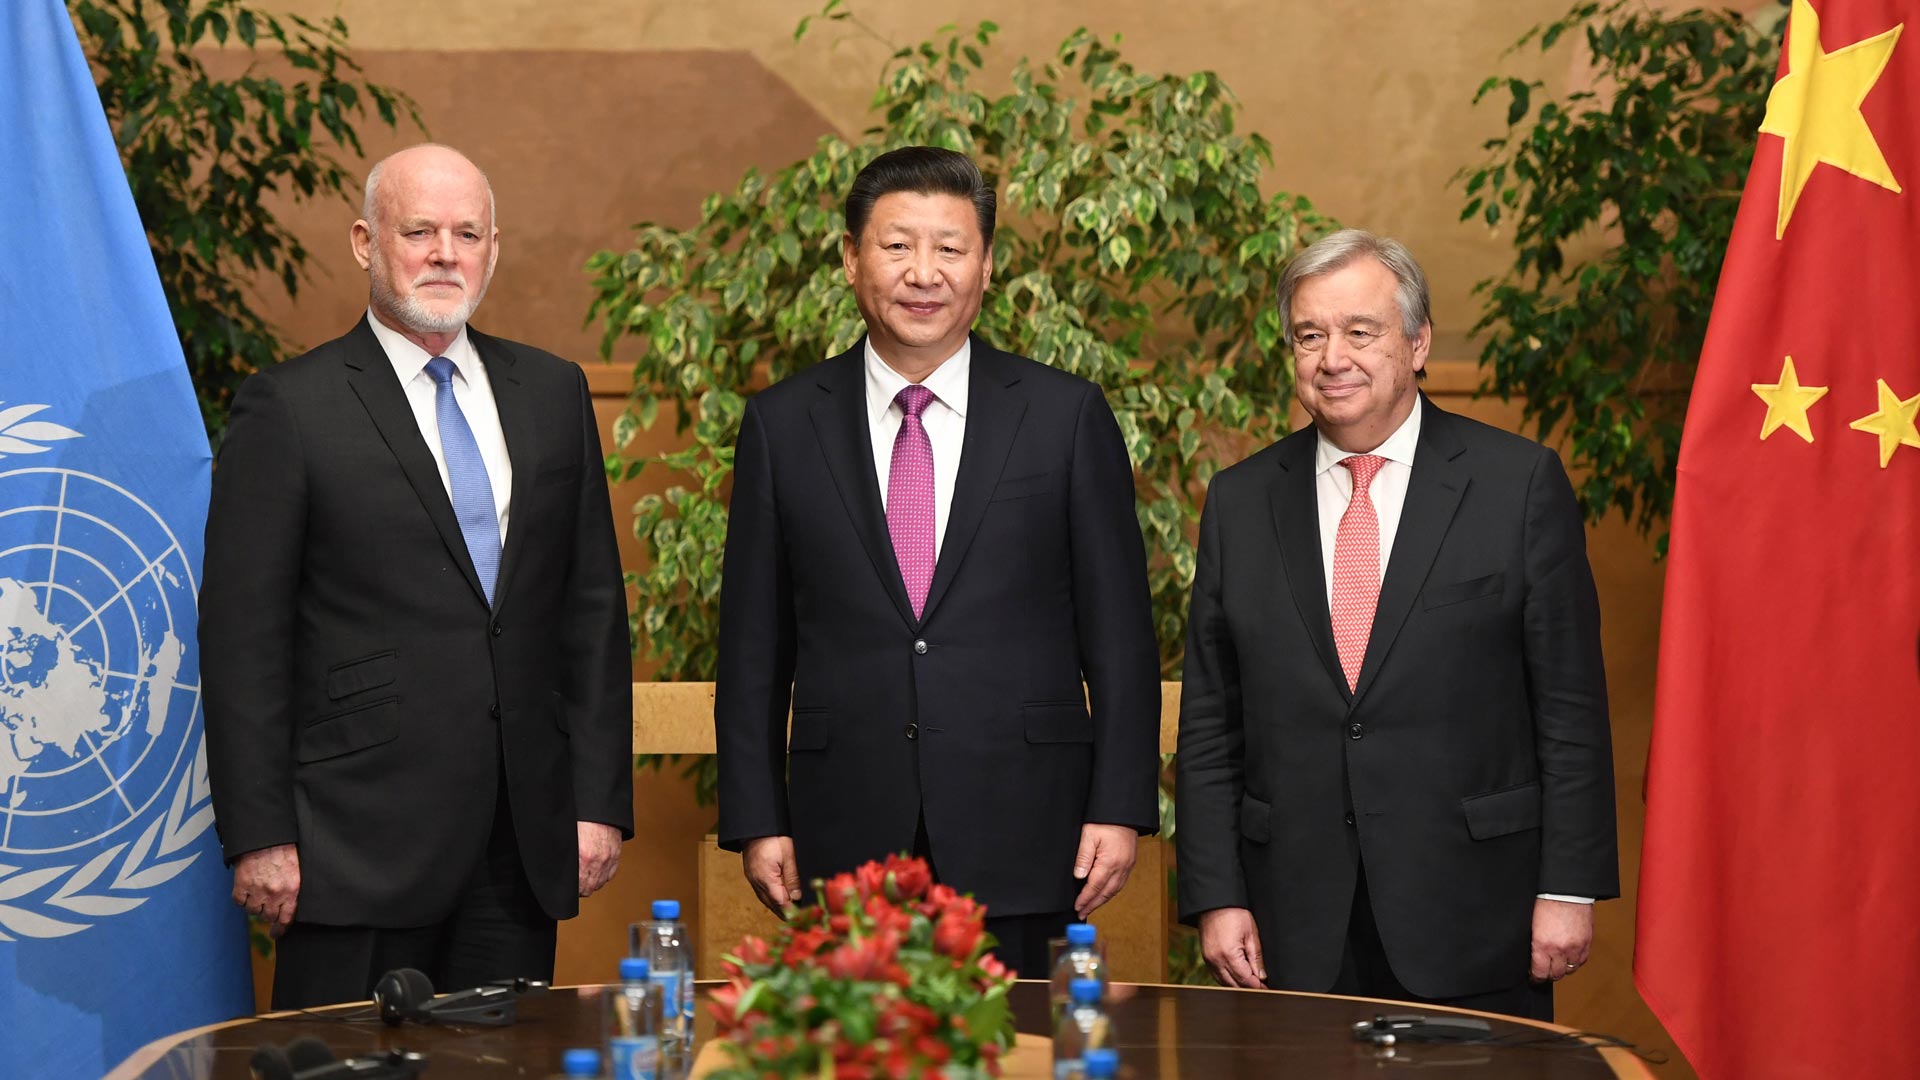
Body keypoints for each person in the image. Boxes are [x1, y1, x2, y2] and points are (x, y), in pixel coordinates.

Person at [200, 144, 633, 1009]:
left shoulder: (553, 392)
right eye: (419, 231)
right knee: (344, 1065)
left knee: (501, 1065)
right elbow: (243, 639)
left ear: (493, 250)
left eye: (467, 234)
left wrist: (597, 801)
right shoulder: (289, 406)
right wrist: (260, 834)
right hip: (350, 843)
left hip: (519, 844)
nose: (445, 253)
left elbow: (591, 613)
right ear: (366, 243)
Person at [712, 146, 1160, 976]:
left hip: (1028, 826)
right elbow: (751, 648)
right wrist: (757, 816)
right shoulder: (783, 424)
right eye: (896, 246)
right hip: (846, 830)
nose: (924, 273)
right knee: (860, 1040)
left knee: (1023, 1039)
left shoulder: (1063, 417)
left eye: (950, 248)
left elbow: (1121, 638)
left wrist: (1121, 805)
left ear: (986, 266)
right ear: (851, 259)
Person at [1175, 229, 1617, 1020]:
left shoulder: (1518, 484)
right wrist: (1216, 895)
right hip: (1289, 923)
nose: (1332, 358)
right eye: (1309, 336)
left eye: (1360, 331)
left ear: (1418, 343)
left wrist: (1568, 887)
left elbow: (1570, 709)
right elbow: (1212, 722)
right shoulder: (1240, 503)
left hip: (1478, 912)